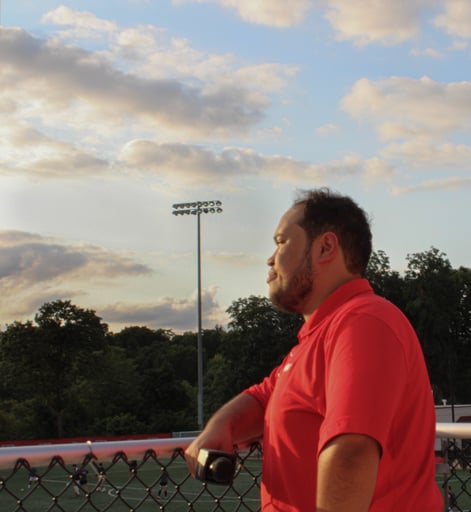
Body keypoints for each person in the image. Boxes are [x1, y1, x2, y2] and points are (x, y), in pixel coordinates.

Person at [185, 188, 443, 511]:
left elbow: (350, 451)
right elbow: (264, 398)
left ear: (325, 247)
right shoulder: (320, 336)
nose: (270, 259)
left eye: (282, 242)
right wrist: (222, 426)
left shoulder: (364, 322)